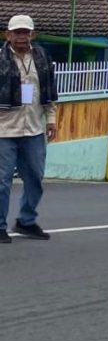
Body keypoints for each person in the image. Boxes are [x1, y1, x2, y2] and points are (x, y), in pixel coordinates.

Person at [0, 15, 58, 244]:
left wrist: (51, 119)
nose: (22, 36)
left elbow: (49, 91)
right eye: (17, 32)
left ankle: (26, 221)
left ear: (32, 35)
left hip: (33, 129)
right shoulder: (1, 58)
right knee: (2, 181)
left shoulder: (42, 57)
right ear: (8, 35)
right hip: (4, 131)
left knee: (35, 177)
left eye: (26, 32)